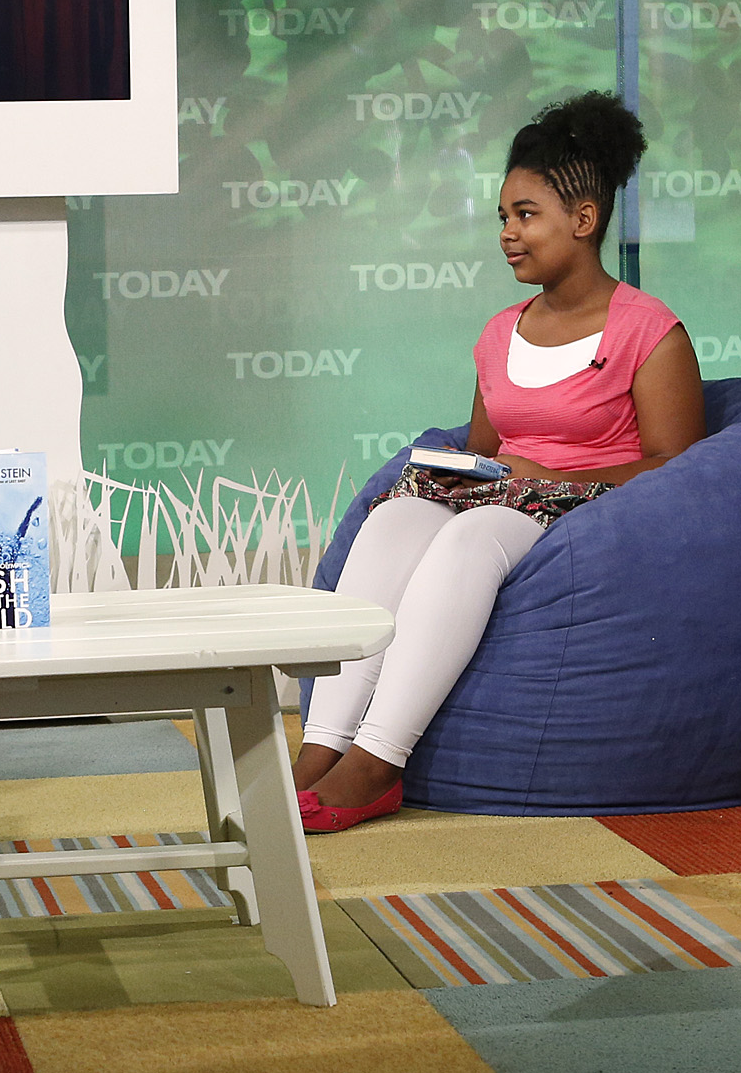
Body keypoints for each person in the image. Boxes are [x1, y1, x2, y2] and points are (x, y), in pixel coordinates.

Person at [292, 91, 703, 832]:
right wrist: (464, 477)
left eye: (526, 215)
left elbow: (678, 465)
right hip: (503, 493)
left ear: (583, 220)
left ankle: (380, 759)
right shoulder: (497, 333)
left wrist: (551, 483)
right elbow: (484, 449)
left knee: (467, 538)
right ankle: (321, 743)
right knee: (393, 522)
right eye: (503, 218)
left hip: (582, 510)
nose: (508, 234)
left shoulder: (650, 330)